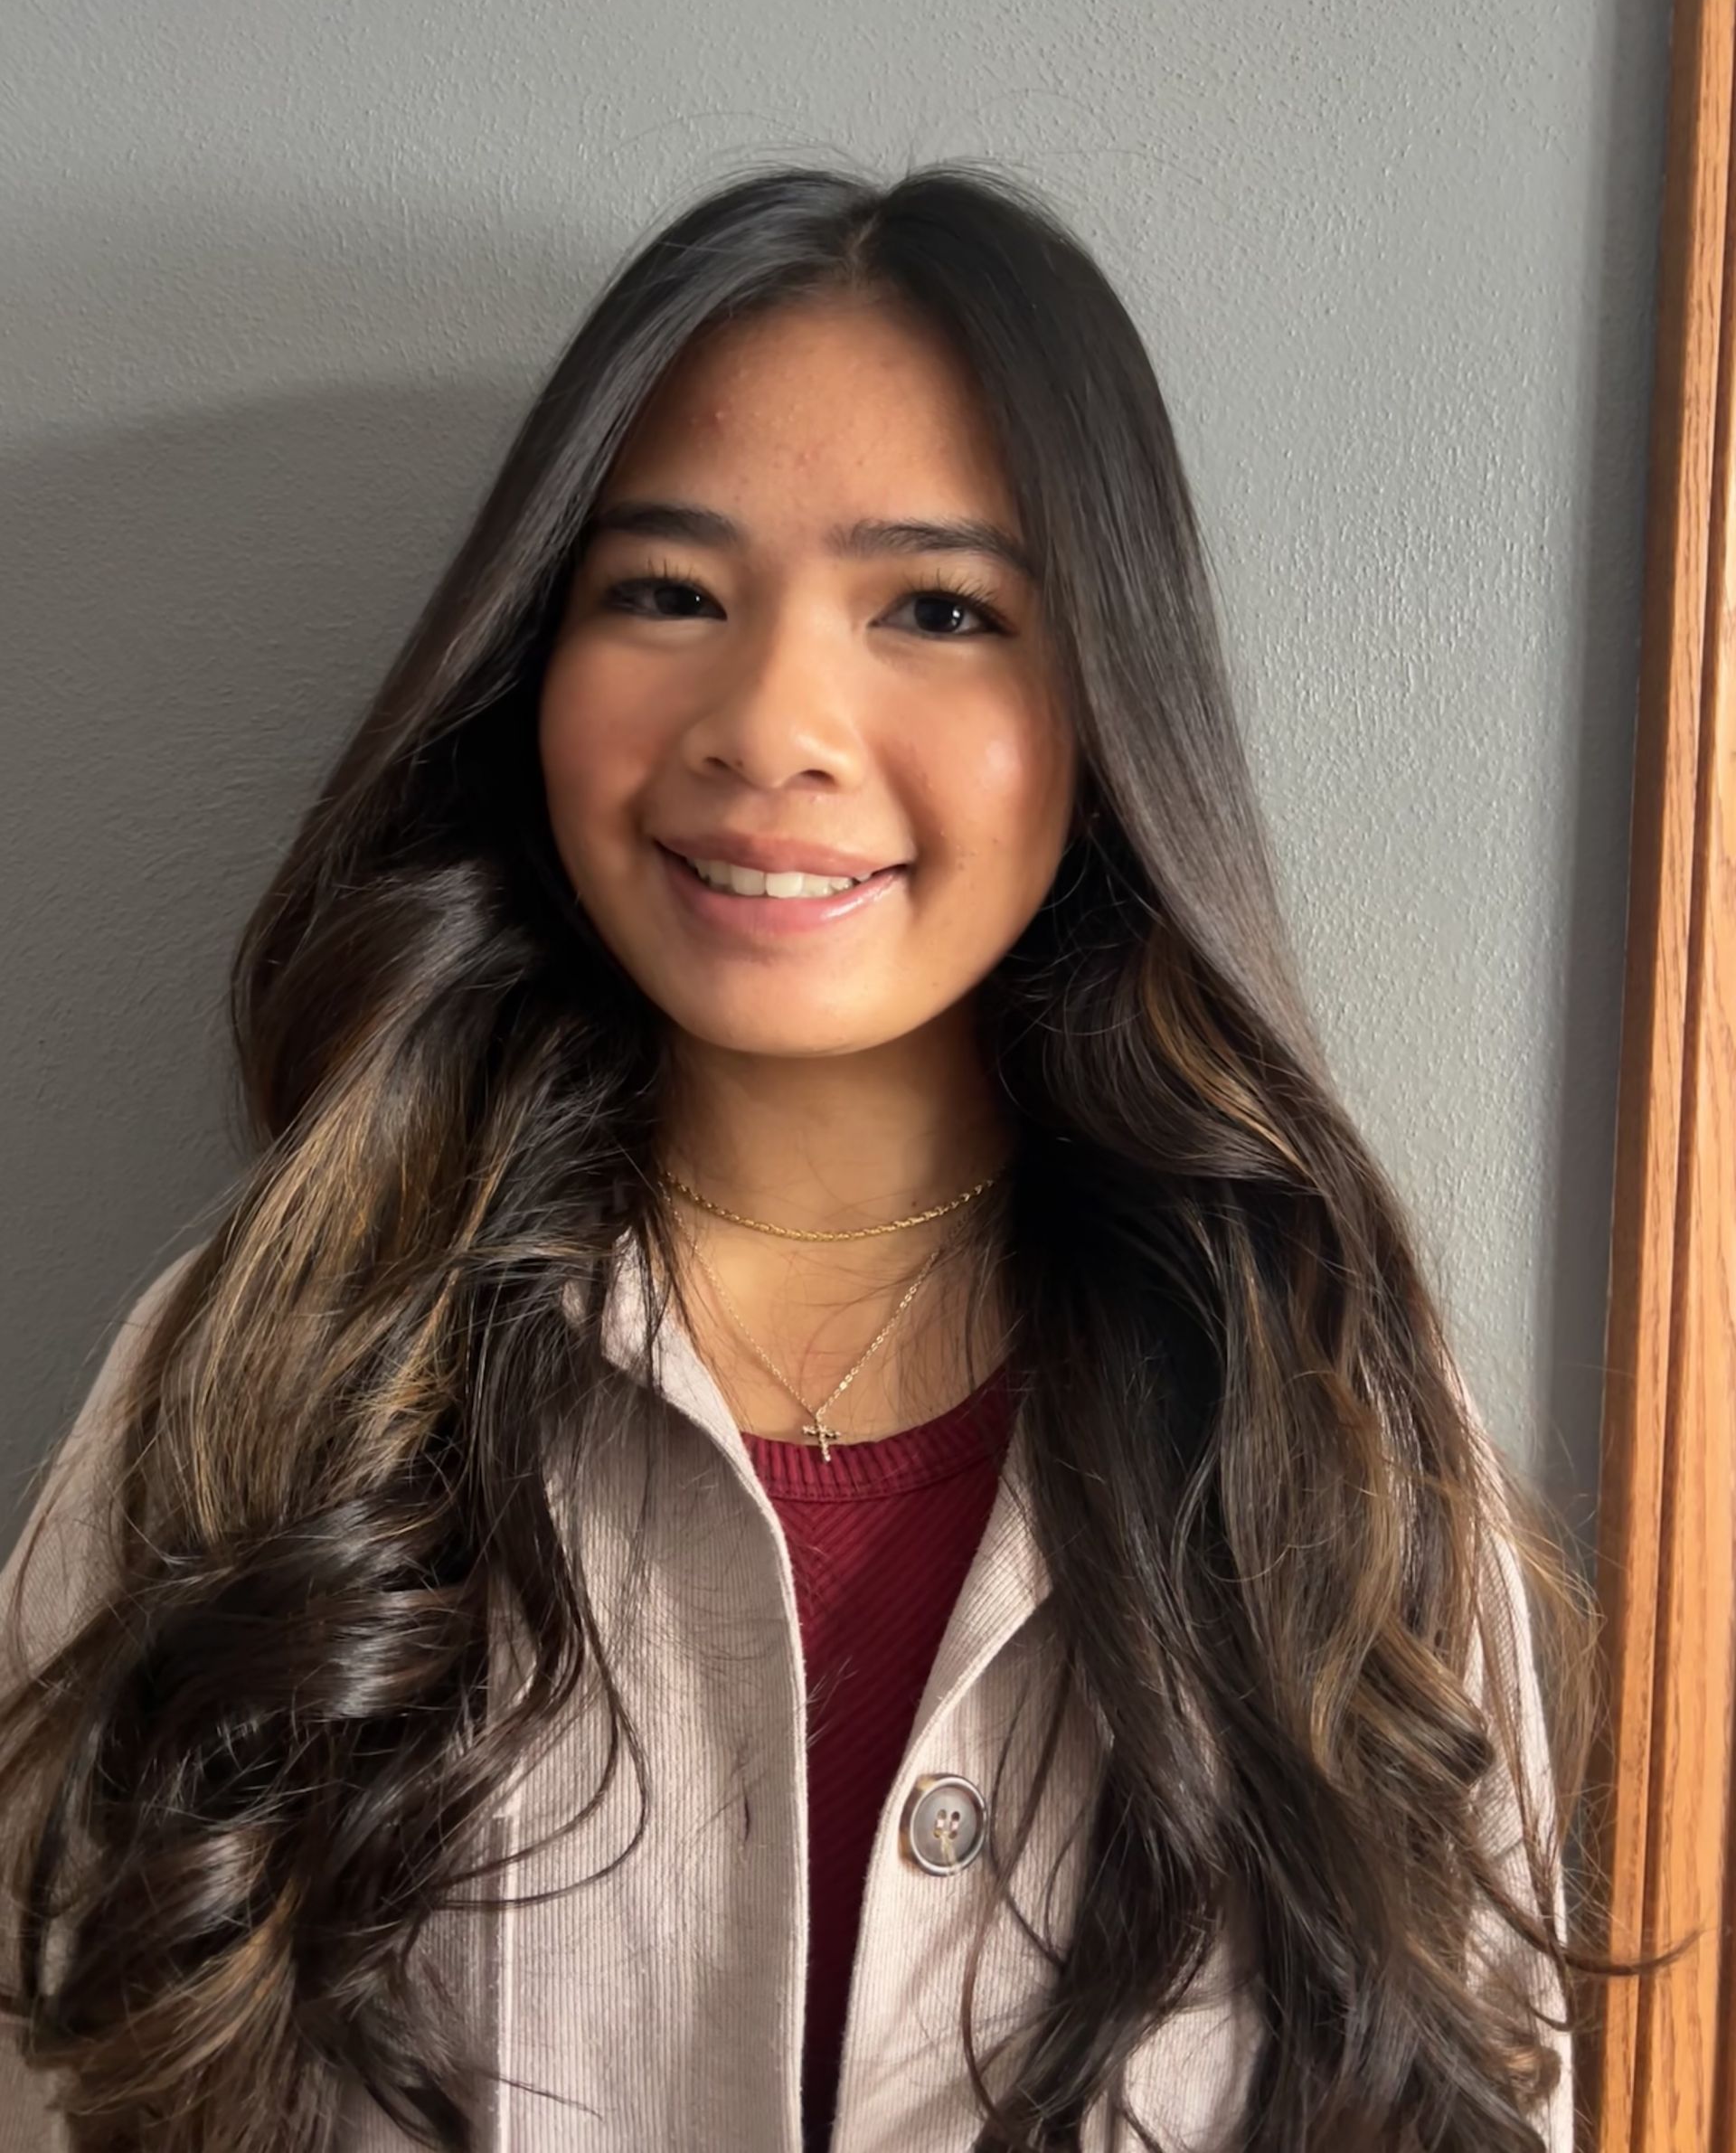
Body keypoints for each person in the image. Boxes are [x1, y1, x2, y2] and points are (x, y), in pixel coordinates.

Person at [0, 162, 1630, 2152]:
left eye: (938, 609)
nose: (773, 724)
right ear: (534, 669)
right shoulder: (268, 1372)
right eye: (666, 593)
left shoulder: (1324, 1416)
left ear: (1104, 703)